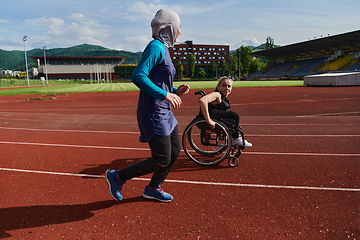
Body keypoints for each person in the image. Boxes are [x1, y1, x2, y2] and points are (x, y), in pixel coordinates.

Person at [105, 9, 189, 203]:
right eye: (179, 27)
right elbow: (138, 76)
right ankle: (117, 177)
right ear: (169, 27)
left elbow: (159, 82)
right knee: (161, 158)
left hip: (164, 111)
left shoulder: (164, 49)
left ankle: (153, 188)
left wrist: (175, 91)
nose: (180, 32)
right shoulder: (156, 47)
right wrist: (165, 94)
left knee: (174, 151)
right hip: (153, 112)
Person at [198, 77, 252, 148]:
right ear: (218, 87)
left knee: (232, 118)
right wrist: (208, 120)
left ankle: (235, 138)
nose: (227, 88)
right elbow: (202, 100)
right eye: (224, 86)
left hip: (216, 116)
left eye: (229, 86)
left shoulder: (223, 97)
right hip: (209, 118)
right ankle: (235, 139)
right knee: (235, 115)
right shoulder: (217, 94)